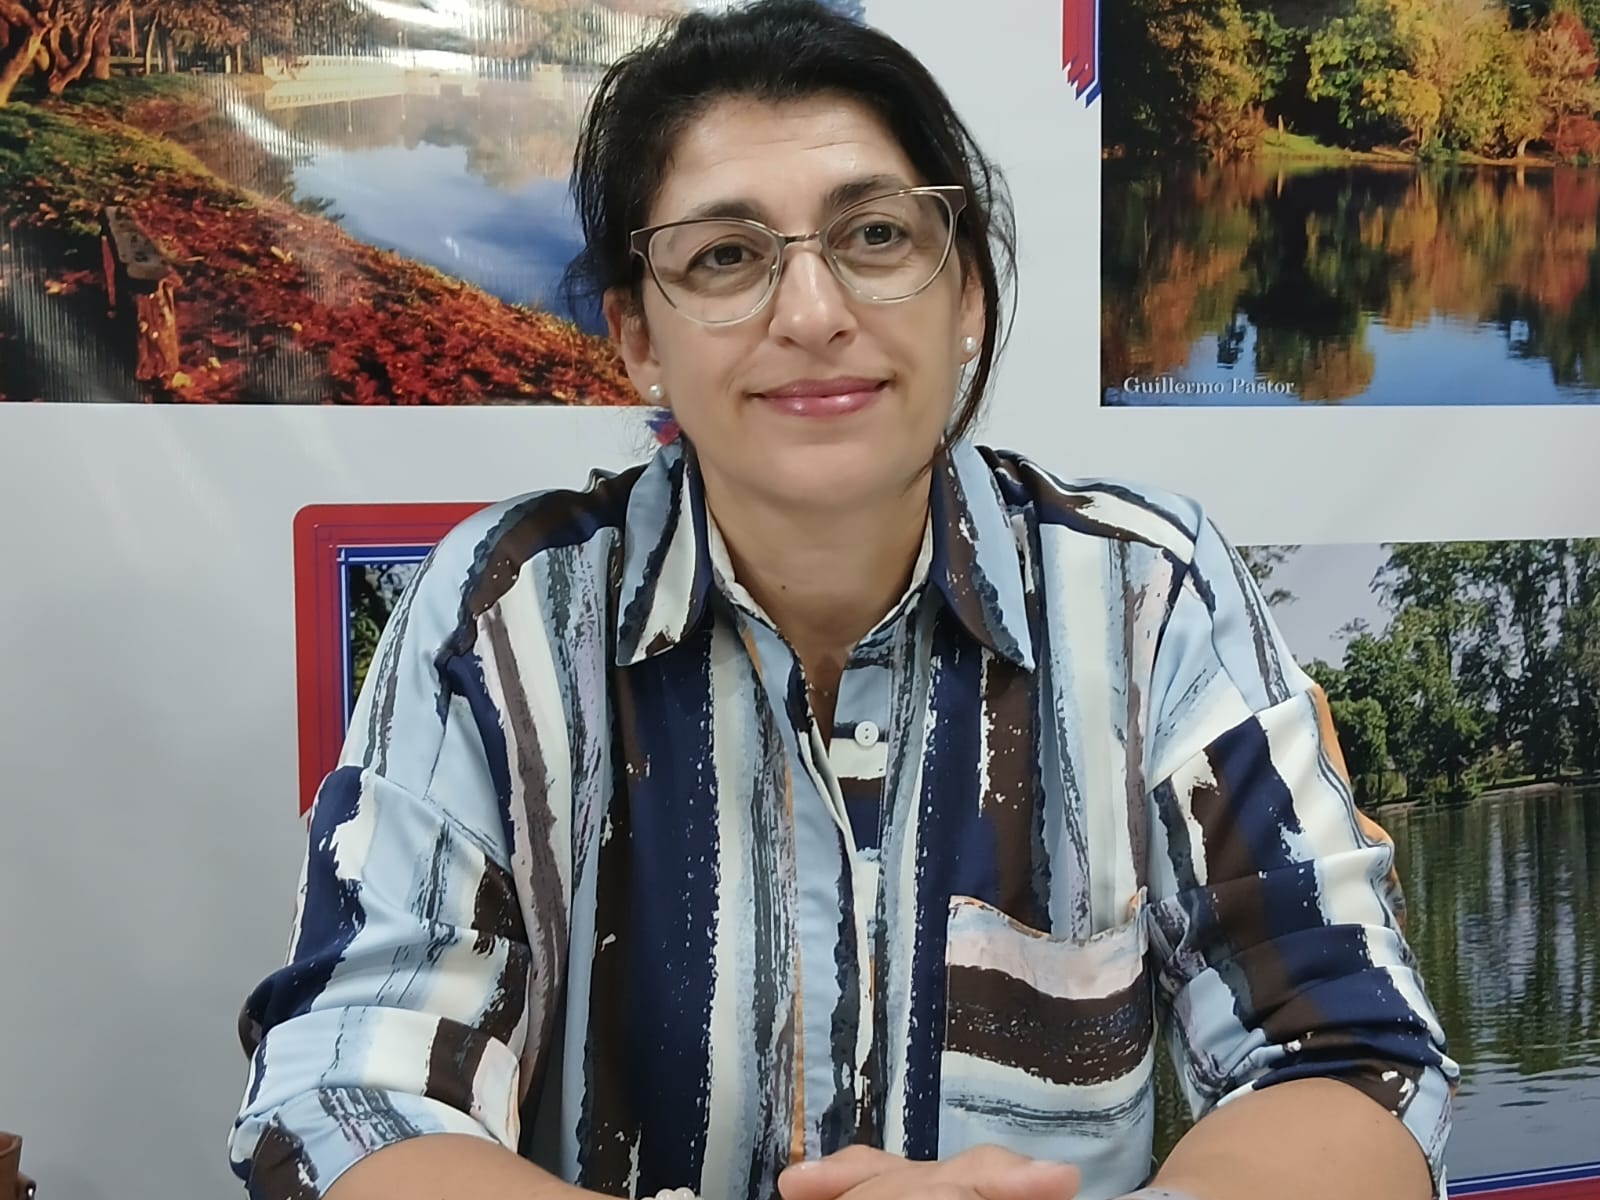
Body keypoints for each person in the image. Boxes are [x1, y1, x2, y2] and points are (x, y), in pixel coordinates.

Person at [228, 3, 1458, 1199]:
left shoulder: (1145, 595)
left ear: (967, 295)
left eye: (874, 237)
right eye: (725, 256)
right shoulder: (505, 616)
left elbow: (1356, 1060)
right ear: (638, 338)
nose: (813, 315)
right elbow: (342, 1103)